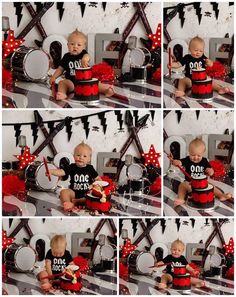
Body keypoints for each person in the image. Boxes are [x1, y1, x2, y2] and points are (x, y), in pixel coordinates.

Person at [49, 29, 114, 100]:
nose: (75, 46)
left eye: (79, 45)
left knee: (96, 84)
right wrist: (54, 77)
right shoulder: (66, 56)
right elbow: (60, 69)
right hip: (72, 83)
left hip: (86, 82)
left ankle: (107, 90)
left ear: (83, 47)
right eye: (72, 44)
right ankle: (62, 94)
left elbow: (87, 56)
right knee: (62, 83)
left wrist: (84, 60)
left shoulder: (83, 54)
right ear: (67, 45)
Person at [170, 138, 232, 206]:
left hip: (202, 183)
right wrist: (176, 162)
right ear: (189, 152)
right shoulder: (187, 159)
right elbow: (180, 162)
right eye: (193, 155)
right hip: (190, 183)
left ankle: (221, 195)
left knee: (212, 186)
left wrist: (210, 171)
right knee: (182, 185)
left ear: (203, 153)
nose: (196, 157)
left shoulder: (204, 161)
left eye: (199, 155)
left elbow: (210, 171)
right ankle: (181, 198)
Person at [48, 142, 101, 211]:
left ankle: (76, 202)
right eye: (78, 155)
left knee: (91, 198)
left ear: (89, 159)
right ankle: (68, 203)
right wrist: (51, 171)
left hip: (86, 194)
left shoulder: (90, 168)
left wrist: (95, 185)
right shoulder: (72, 167)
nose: (81, 157)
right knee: (63, 192)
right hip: (73, 193)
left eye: (84, 156)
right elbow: (61, 172)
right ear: (74, 156)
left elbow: (98, 179)